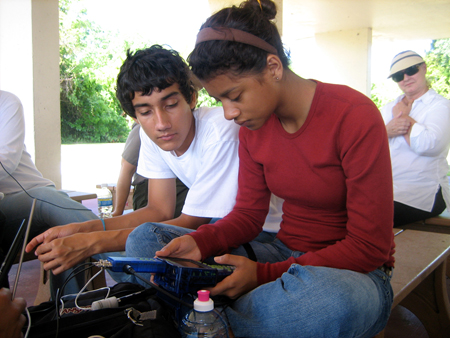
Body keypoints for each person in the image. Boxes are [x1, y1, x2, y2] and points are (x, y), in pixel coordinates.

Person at [125, 1, 396, 337]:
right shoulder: (254, 128)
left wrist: (264, 276)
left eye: (234, 95)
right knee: (145, 240)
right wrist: (202, 243)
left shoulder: (354, 115)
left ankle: (199, 318)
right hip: (279, 251)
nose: (228, 113)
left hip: (352, 273)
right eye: (220, 100)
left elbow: (370, 247)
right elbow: (248, 216)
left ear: (273, 67)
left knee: (330, 301)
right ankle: (220, 318)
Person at [25, 45, 243, 279]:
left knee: (139, 243)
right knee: (121, 255)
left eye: (170, 105)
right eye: (146, 112)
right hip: (212, 232)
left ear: (191, 98)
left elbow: (193, 222)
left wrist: (91, 241)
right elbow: (158, 210)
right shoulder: (151, 136)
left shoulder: (219, 133)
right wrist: (80, 229)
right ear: (135, 116)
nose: (161, 123)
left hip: (254, 235)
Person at [0, 90, 99, 295]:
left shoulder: (6, 102)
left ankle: (68, 310)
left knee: (56, 211)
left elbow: (6, 160)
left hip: (22, 199)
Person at [381, 50, 450, 226]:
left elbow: (429, 145)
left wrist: (404, 118)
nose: (406, 78)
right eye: (398, 75)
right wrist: (385, 132)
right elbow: (364, 144)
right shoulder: (389, 108)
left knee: (367, 217)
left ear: (424, 68)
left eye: (411, 70)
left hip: (423, 193)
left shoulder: (441, 106)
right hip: (387, 190)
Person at [111, 121, 188, 217]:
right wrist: (118, 212)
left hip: (181, 186)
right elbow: (126, 169)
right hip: (149, 191)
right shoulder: (143, 129)